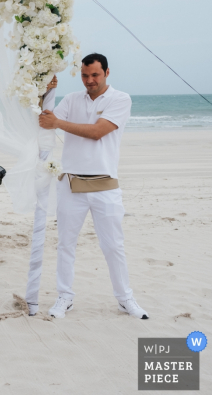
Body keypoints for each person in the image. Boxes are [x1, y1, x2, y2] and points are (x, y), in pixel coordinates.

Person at [39, 54, 149, 319]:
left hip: (105, 185)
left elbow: (97, 131)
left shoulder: (120, 99)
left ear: (107, 73)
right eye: (85, 75)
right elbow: (45, 119)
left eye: (95, 75)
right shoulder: (71, 99)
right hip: (71, 184)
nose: (90, 81)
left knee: (113, 246)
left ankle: (125, 299)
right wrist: (45, 91)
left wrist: (58, 123)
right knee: (66, 243)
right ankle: (65, 297)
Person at [25, 76, 59, 316]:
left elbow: (49, 117)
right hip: (37, 148)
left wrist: (47, 91)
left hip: (49, 151)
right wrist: (43, 90)